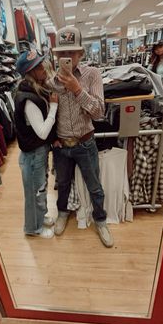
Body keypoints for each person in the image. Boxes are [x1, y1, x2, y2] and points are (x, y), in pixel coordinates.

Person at [50, 26, 114, 248]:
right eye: (60, 54)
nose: (65, 58)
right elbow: (47, 112)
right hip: (61, 145)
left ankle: (101, 220)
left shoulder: (92, 74)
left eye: (70, 53)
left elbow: (99, 112)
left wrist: (78, 89)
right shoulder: (51, 80)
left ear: (81, 53)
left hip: (85, 142)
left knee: (94, 185)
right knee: (62, 183)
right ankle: (61, 213)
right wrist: (51, 139)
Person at [14, 50, 58, 239]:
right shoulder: (28, 98)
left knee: (40, 188)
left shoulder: (34, 90)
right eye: (39, 67)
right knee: (34, 193)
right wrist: (54, 106)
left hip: (37, 153)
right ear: (30, 72)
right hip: (32, 156)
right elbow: (42, 132)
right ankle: (33, 228)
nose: (44, 69)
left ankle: (40, 217)